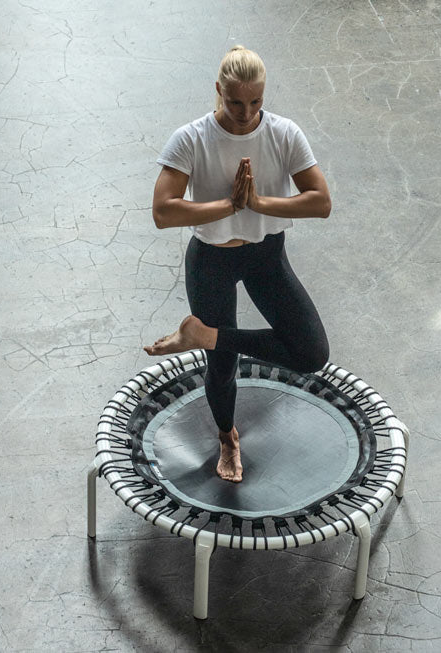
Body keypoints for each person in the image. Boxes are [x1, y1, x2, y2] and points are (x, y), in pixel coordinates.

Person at [143, 45, 331, 484]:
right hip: (212, 260)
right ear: (218, 91)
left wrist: (257, 202)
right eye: (235, 102)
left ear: (264, 95)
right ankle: (228, 438)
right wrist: (228, 206)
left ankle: (203, 334)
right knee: (222, 366)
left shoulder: (284, 134)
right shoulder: (192, 138)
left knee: (312, 353)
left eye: (255, 102)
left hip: (267, 255)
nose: (246, 113)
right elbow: (163, 212)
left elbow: (321, 202)